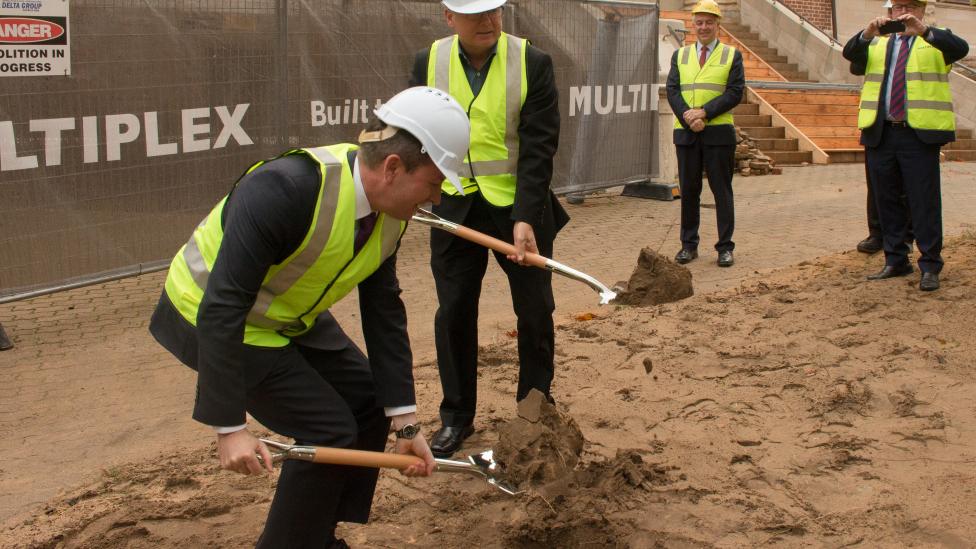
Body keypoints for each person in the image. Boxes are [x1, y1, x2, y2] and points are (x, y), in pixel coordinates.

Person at [148, 87, 471, 548]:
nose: (436, 200)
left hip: (285, 313)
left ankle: (314, 534)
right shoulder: (285, 189)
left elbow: (383, 310)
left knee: (367, 402)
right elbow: (223, 303)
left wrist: (406, 422)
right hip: (206, 314)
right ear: (393, 168)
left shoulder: (392, 210)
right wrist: (229, 427)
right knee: (328, 427)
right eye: (435, 184)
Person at [409, 0, 569, 458]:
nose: (489, 21)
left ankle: (534, 410)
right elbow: (415, 131)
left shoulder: (531, 61)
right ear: (448, 17)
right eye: (476, 13)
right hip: (454, 207)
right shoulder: (429, 62)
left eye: (495, 10)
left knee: (535, 310)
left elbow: (540, 146)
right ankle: (456, 417)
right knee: (454, 311)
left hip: (519, 208)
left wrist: (525, 216)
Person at [843, 0, 968, 291]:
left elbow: (960, 48)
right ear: (890, 10)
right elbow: (850, 56)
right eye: (898, 6)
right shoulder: (877, 42)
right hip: (881, 131)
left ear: (922, 10)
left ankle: (930, 264)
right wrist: (866, 33)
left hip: (919, 134)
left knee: (923, 201)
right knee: (886, 200)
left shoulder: (935, 40)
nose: (903, 12)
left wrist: (923, 31)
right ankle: (896, 258)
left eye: (910, 5)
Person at [666, 0, 744, 268]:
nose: (704, 27)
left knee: (722, 191)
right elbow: (672, 91)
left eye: (709, 22)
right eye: (699, 22)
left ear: (717, 25)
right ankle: (688, 246)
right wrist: (689, 117)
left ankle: (725, 247)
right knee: (689, 191)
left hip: (718, 133)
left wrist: (704, 113)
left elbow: (735, 92)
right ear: (693, 25)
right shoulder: (681, 55)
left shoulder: (731, 55)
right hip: (687, 133)